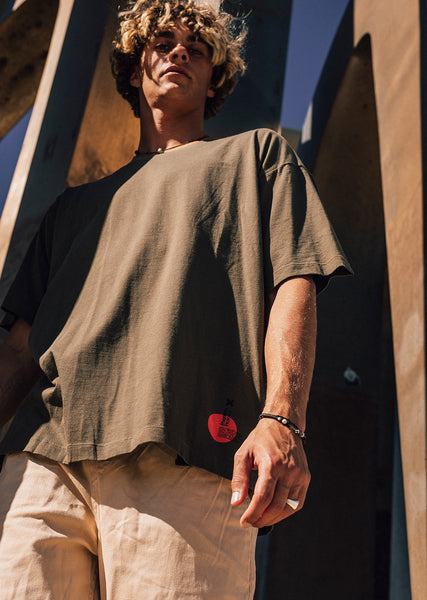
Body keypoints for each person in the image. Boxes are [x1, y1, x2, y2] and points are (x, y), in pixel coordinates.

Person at [0, 1, 351, 598]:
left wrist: (282, 418)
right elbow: (19, 349)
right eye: (162, 41)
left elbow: (294, 286)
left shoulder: (257, 157)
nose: (180, 51)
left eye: (198, 46)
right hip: (42, 461)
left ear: (216, 76)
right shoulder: (71, 210)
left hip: (185, 451)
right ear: (134, 65)